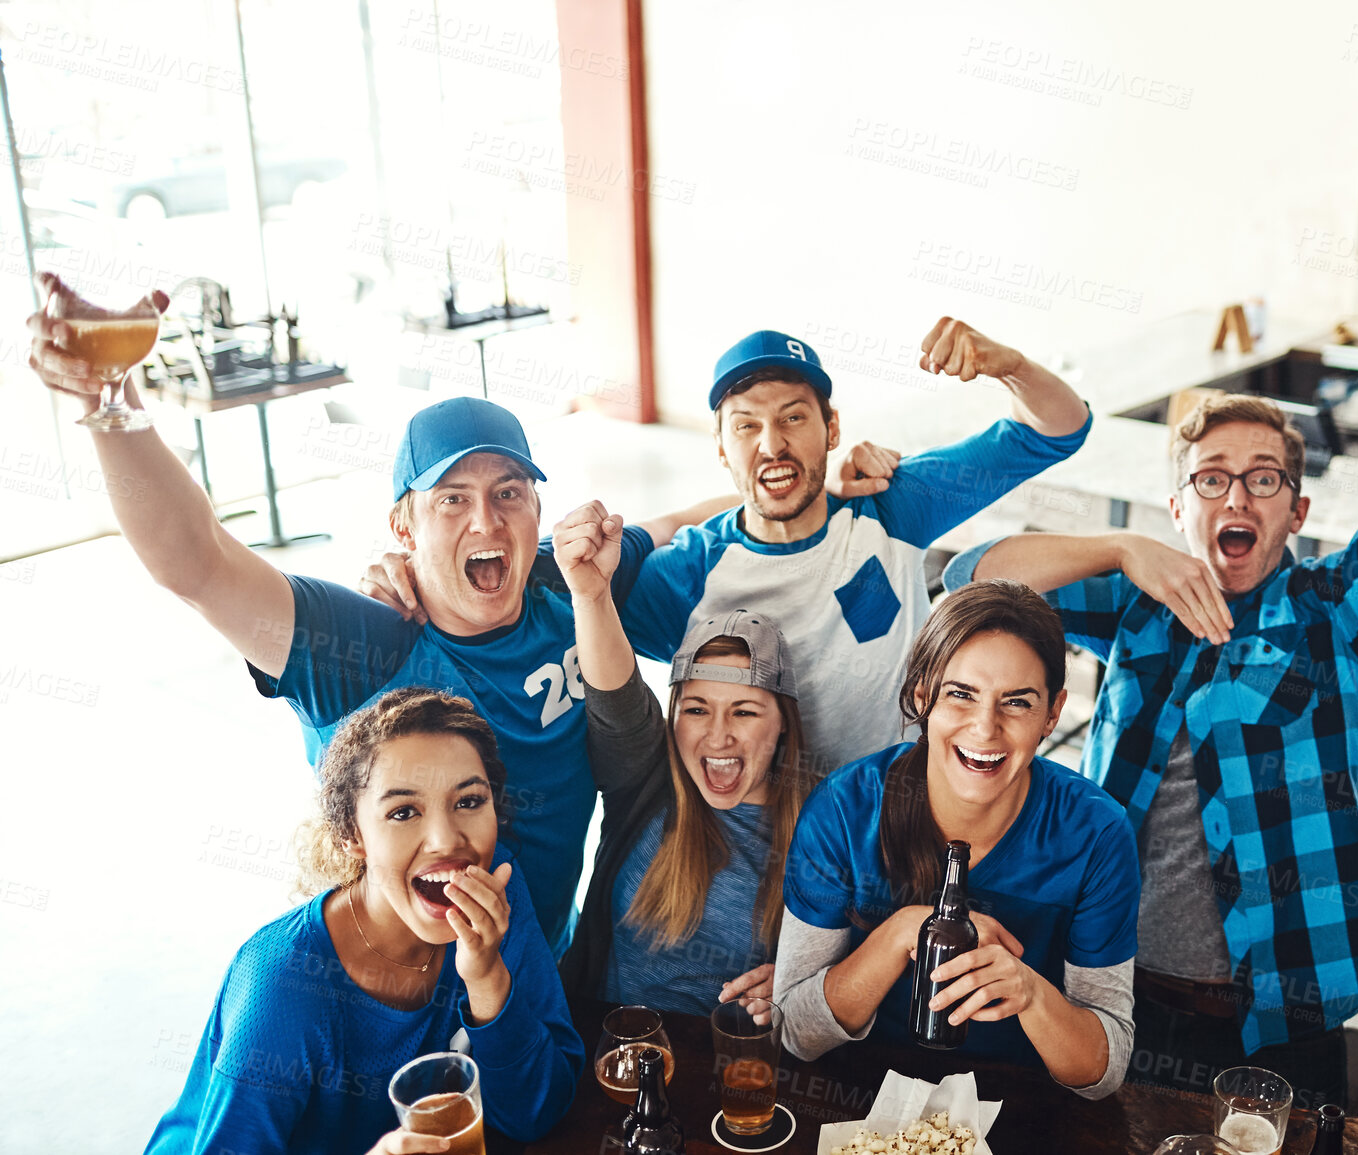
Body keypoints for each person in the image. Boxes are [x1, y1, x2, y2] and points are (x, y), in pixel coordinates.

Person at [939, 216, 1358, 1107]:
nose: (1236, 494)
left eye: (1262, 478)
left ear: (1296, 508)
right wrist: (1121, 548)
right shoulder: (1134, 602)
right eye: (1211, 477)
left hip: (1287, 1007)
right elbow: (971, 579)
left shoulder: (1336, 608)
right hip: (1120, 989)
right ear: (1179, 505)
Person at [23, 274, 714, 957]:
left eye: (509, 491)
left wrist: (814, 484)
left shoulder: (568, 583)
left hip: (537, 967)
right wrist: (115, 404)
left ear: (538, 508)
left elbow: (680, 521)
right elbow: (196, 562)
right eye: (451, 498)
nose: (487, 519)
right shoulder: (361, 641)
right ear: (402, 527)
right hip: (402, 984)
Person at [364, 318, 1092, 779]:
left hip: (897, 810)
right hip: (761, 840)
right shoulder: (683, 575)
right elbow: (534, 591)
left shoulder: (893, 507)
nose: (773, 443)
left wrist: (1009, 363)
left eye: (794, 418)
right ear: (719, 446)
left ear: (831, 428)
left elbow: (1058, 430)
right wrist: (412, 576)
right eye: (746, 426)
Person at [145, 687, 584, 1155]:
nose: (445, 840)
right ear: (352, 835)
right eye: (403, 812)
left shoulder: (496, 892)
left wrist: (487, 978)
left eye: (469, 801)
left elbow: (535, 1114)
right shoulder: (282, 983)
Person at [774, 580, 1140, 1099]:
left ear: (1052, 715)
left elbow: (1103, 1071)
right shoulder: (843, 809)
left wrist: (1032, 993)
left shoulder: (1097, 834)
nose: (985, 728)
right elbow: (794, 1031)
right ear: (923, 696)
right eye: (961, 694)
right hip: (856, 1099)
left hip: (1019, 1105)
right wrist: (904, 931)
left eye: (1016, 703)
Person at [546, 502, 810, 1014]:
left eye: (745, 712)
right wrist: (592, 594)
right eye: (696, 709)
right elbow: (616, 696)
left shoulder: (820, 829)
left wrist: (805, 983)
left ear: (782, 725)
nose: (717, 737)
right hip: (609, 1062)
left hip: (727, 1076)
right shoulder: (649, 780)